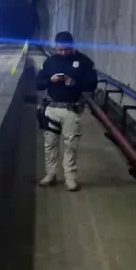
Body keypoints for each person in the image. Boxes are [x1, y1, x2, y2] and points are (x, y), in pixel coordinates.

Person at [36, 31, 98, 191]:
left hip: (71, 109)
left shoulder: (84, 62)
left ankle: (70, 178)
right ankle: (50, 174)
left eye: (65, 50)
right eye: (59, 50)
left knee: (70, 145)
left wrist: (74, 83)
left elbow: (92, 84)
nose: (62, 53)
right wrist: (50, 80)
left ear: (72, 46)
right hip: (52, 108)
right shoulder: (50, 62)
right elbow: (39, 83)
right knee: (50, 144)